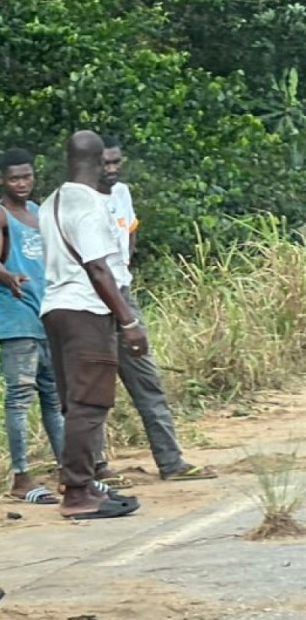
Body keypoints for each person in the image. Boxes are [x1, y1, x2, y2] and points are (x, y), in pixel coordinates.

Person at [94, 139, 216, 482]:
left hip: (122, 292)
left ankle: (171, 461)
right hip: (88, 301)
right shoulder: (77, 201)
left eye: (116, 161)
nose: (112, 168)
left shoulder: (122, 194)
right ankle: (96, 468)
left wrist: (125, 267)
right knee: (94, 390)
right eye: (105, 163)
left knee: (147, 381)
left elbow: (130, 232)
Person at [37, 131, 144, 520]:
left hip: (55, 309)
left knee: (74, 404)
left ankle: (79, 483)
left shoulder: (51, 202)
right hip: (86, 310)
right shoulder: (89, 206)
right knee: (90, 404)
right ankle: (79, 492)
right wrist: (128, 321)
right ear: (100, 162)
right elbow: (98, 268)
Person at [0, 149, 65, 503]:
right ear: (3, 179)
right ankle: (21, 476)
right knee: (19, 398)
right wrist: (7, 275)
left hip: (43, 313)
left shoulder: (37, 212)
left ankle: (68, 470)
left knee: (54, 396)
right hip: (15, 317)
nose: (22, 183)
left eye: (27, 177)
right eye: (15, 178)